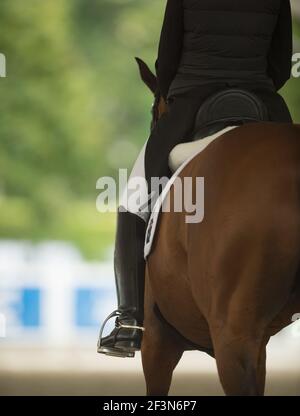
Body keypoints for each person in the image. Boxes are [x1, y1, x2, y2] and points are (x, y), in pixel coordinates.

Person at [98, 0, 293, 357]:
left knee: (134, 198)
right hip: (265, 103)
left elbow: (167, 60)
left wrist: (171, 92)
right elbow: (281, 63)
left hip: (191, 100)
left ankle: (129, 320)